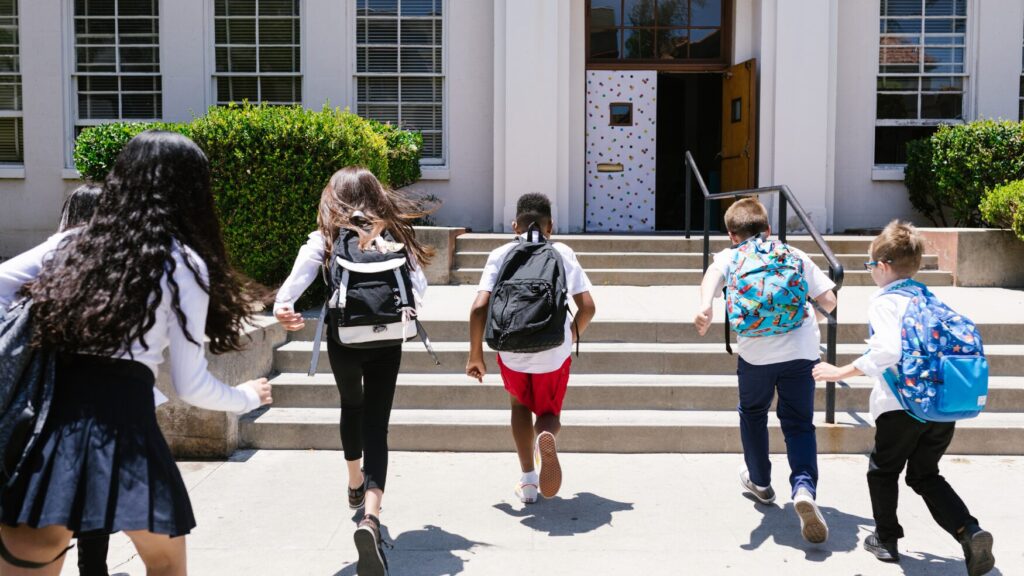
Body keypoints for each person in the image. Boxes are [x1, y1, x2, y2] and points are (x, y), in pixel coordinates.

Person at [0, 130, 272, 576]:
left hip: (49, 427)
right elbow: (190, 385)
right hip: (126, 427)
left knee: (32, 559)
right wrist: (244, 398)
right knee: (165, 564)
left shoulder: (70, 244)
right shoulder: (182, 262)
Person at [274, 166, 433, 576]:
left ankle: (353, 482)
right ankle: (371, 518)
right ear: (377, 195)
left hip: (344, 338)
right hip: (388, 338)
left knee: (352, 406)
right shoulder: (396, 236)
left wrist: (284, 307)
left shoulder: (325, 239)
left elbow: (294, 285)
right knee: (377, 425)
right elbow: (418, 292)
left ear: (335, 197)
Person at [812, 221, 995, 575]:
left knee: (883, 471)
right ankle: (969, 531)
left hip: (900, 406)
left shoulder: (885, 301)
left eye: (870, 267)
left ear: (882, 266)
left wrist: (840, 372)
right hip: (941, 406)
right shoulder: (928, 298)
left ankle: (886, 539)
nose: (870, 274)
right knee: (925, 475)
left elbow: (887, 351)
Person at [693, 197, 836, 544]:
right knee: (799, 423)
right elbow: (830, 301)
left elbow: (712, 277)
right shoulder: (793, 254)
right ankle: (803, 488)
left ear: (731, 235)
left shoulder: (731, 256)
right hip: (801, 352)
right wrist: (807, 318)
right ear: (768, 229)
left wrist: (705, 307)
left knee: (753, 413)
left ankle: (760, 482)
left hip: (756, 355)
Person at [466, 193, 596, 504]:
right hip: (553, 351)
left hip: (511, 349)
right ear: (551, 225)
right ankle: (545, 436)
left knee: (518, 407)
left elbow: (478, 308)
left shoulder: (500, 253)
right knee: (548, 413)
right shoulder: (562, 252)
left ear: (515, 225)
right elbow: (588, 307)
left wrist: (475, 356)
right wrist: (572, 334)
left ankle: (527, 480)